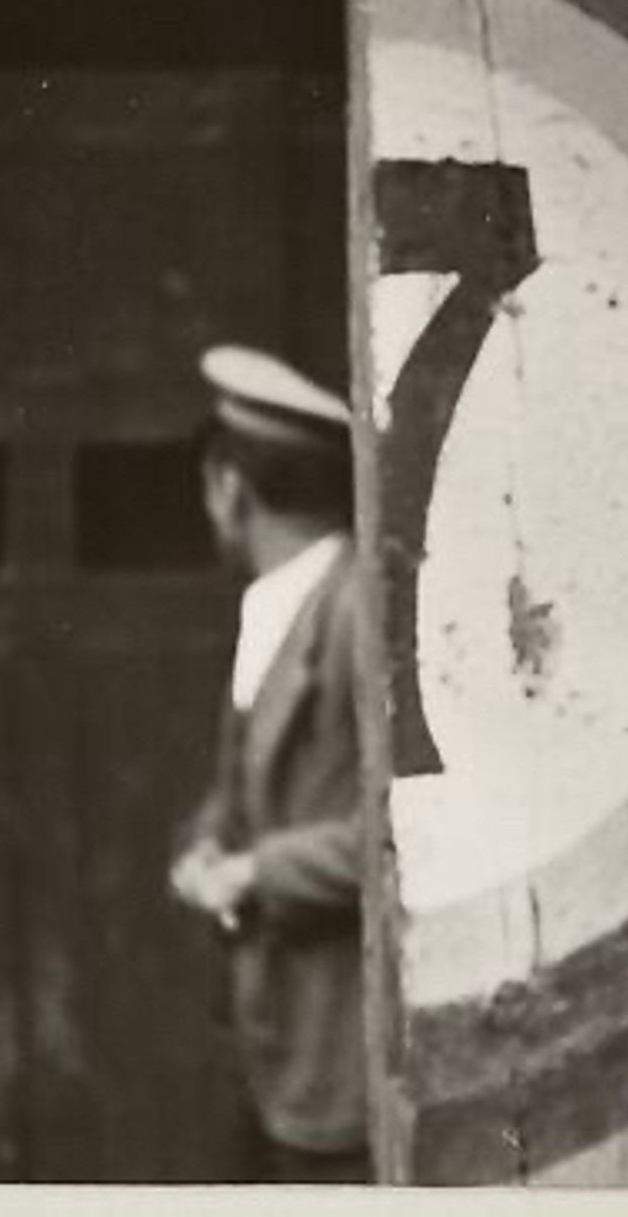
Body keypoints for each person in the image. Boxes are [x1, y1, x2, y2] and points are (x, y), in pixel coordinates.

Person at [169, 344, 369, 1181]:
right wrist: (208, 847)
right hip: (274, 1035)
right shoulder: (279, 603)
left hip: (341, 1048)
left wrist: (253, 873)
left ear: (230, 488)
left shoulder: (357, 608)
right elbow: (250, 790)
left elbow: (402, 834)